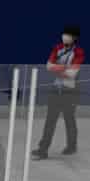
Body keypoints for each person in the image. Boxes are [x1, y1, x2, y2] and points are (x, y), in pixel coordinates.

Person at [32, 26, 84, 160]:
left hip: (70, 91)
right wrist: (64, 69)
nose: (65, 36)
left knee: (69, 119)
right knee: (50, 121)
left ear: (75, 38)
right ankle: (43, 149)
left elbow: (72, 73)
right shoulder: (57, 48)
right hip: (56, 88)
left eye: (68, 34)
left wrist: (57, 68)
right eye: (64, 34)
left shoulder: (79, 52)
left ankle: (71, 146)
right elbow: (48, 66)